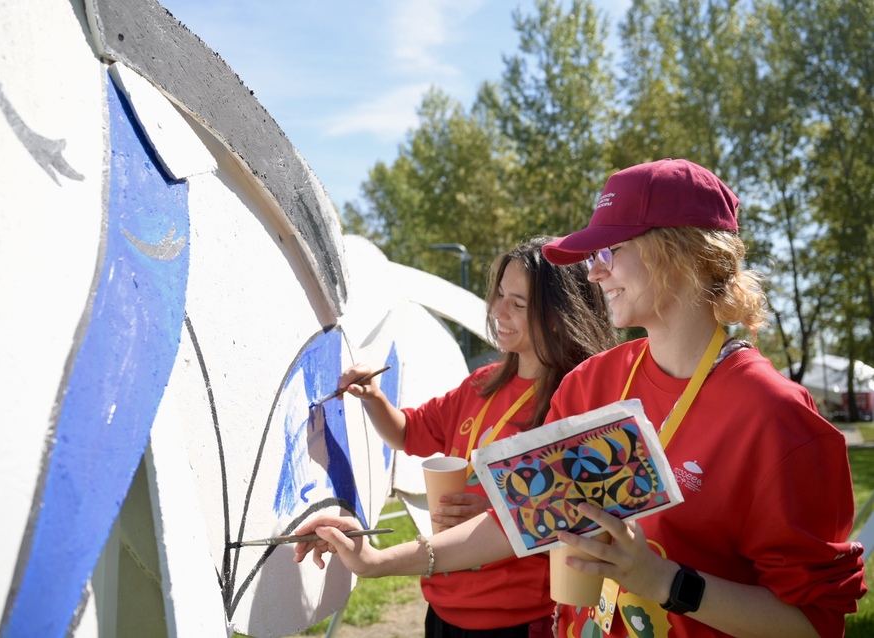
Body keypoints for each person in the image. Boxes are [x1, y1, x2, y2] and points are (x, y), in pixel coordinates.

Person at [294, 159, 867, 637]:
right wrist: (376, 562)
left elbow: (814, 623)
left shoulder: (779, 419)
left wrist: (665, 582)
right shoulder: (592, 384)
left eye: (608, 251)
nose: (593, 274)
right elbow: (514, 522)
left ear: (681, 252)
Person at [334, 236, 617, 637]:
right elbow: (408, 432)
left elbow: (554, 514)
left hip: (520, 617)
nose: (497, 310)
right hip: (444, 608)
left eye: (517, 304)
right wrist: (374, 397)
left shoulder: (576, 402)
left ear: (559, 316)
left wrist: (491, 505)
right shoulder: (480, 385)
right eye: (499, 294)